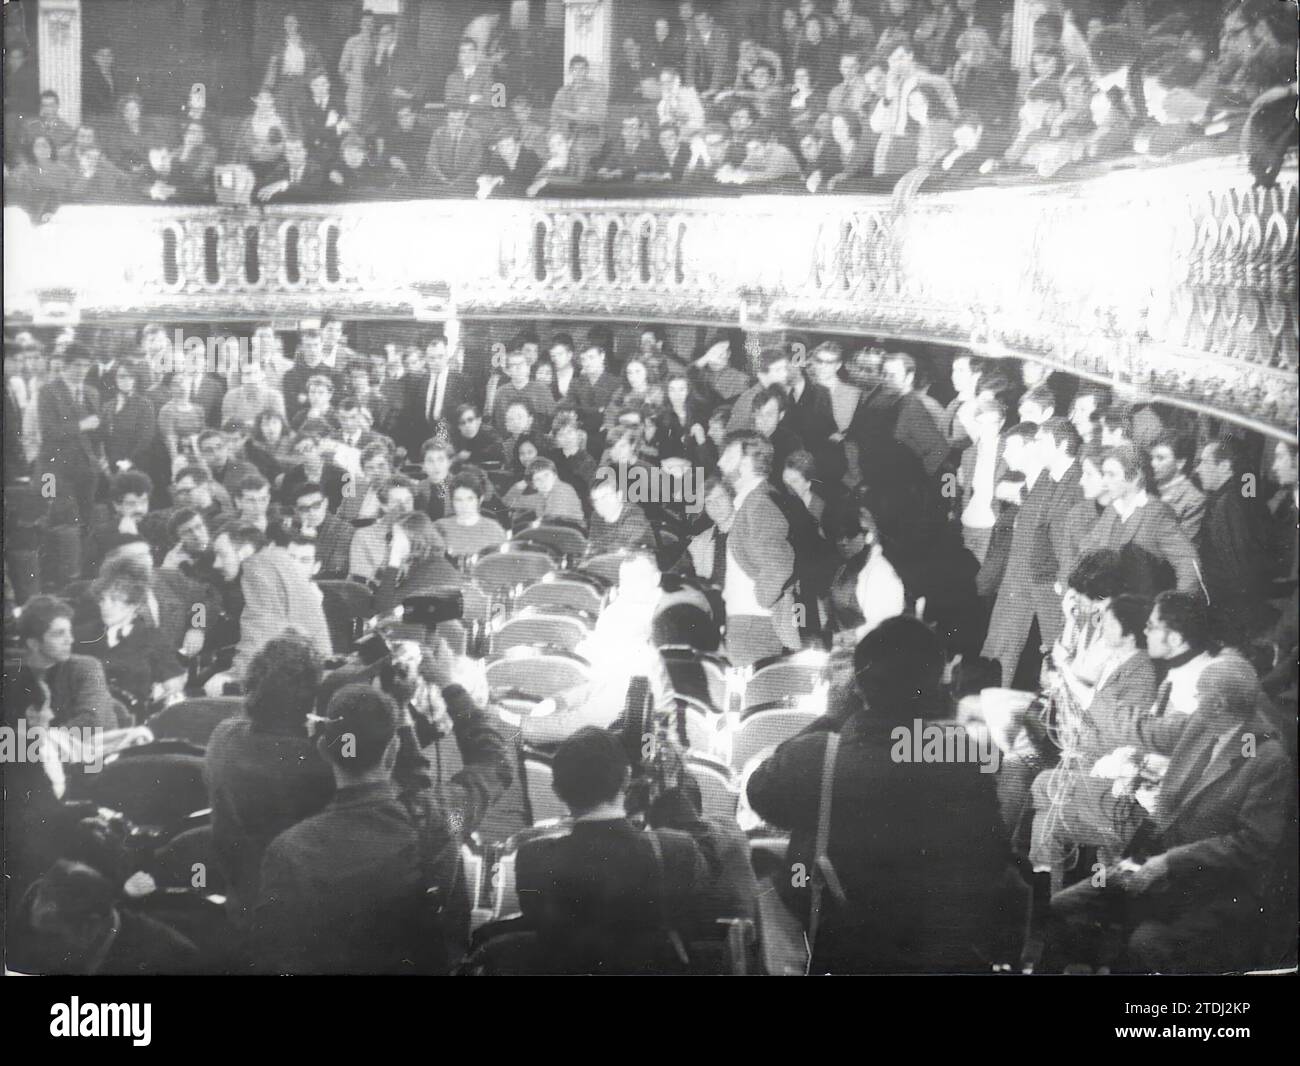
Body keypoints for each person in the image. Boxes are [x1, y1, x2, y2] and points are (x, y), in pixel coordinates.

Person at [748, 617, 1015, 973]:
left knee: (768, 870)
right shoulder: (959, 749)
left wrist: (835, 716)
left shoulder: (819, 755)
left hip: (844, 949)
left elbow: (759, 793)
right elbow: (992, 854)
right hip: (939, 951)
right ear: (937, 679)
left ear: (859, 684)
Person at [1047, 653, 1291, 973]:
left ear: (1217, 704)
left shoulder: (1268, 758)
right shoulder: (1201, 726)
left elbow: (1251, 845)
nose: (1194, 700)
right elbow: (1148, 731)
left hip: (1213, 891)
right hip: (1154, 867)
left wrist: (1168, 862)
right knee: (1064, 906)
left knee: (1146, 941)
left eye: (1198, 695)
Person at [252, 674, 511, 974]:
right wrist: (447, 685)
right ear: (392, 751)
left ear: (323, 749)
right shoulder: (441, 817)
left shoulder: (290, 850)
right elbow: (495, 763)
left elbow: (271, 957)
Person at [511, 727, 711, 975]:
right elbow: (711, 867)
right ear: (627, 779)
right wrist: (670, 794)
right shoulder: (676, 849)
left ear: (557, 791)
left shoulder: (532, 858)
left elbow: (534, 915)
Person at [204, 635, 335, 935]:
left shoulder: (224, 736)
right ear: (313, 695)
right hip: (312, 918)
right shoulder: (323, 760)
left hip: (242, 903)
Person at [203, 525, 332, 695]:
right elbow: (200, 600)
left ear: (246, 551)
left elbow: (260, 632)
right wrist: (196, 626)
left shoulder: (256, 568)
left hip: (297, 679)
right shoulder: (275, 558)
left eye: (222, 554)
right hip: (310, 669)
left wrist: (232, 675)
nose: (216, 563)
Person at [21, 860, 199, 975]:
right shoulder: (98, 933)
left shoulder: (167, 962)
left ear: (90, 927)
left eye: (52, 938)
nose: (40, 948)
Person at [718, 432, 800, 666]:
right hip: (749, 621)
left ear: (745, 463)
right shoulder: (754, 500)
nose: (719, 462)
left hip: (754, 623)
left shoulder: (759, 503)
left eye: (727, 455)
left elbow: (781, 563)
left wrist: (761, 600)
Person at [1078, 444, 1202, 596]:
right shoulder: (1113, 509)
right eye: (1104, 474)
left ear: (1135, 477)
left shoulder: (1156, 513)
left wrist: (1174, 608)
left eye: (1111, 475)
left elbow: (1188, 562)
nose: (1104, 481)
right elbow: (1088, 547)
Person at [1194, 436, 1274, 643]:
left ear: (1224, 466)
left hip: (1231, 614)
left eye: (1204, 462)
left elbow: (1236, 566)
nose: (1198, 469)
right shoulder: (1240, 493)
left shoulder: (1227, 505)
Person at [434, 470, 508, 559]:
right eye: (458, 500)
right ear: (452, 502)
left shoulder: (495, 530)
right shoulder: (439, 527)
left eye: (470, 499)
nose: (464, 505)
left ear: (480, 500)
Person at [1149, 432, 1206, 541]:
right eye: (1153, 457)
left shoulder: (1194, 500)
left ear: (1180, 463)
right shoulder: (1151, 489)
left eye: (1160, 458)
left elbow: (1179, 546)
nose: (1153, 463)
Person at [587, 473, 655, 557]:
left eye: (605, 497)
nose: (600, 504)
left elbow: (623, 544)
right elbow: (591, 547)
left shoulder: (634, 513)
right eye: (596, 500)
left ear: (619, 495)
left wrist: (597, 552)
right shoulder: (596, 517)